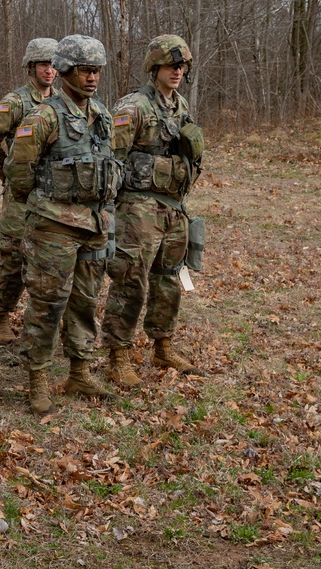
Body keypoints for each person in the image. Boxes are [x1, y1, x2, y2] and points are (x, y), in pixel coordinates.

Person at [3, 34, 121, 416]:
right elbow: (18, 174)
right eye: (85, 71)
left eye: (97, 71)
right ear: (67, 71)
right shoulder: (43, 116)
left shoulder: (102, 115)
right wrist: (44, 209)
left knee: (85, 301)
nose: (92, 78)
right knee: (47, 303)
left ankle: (79, 371)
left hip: (94, 223)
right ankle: (38, 376)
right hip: (53, 225)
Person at [102, 34, 205, 387]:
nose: (177, 71)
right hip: (138, 208)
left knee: (169, 280)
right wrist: (109, 211)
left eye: (181, 66)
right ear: (155, 67)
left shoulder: (181, 106)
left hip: (174, 207)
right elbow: (111, 161)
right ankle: (118, 354)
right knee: (130, 280)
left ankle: (162, 345)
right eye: (170, 65)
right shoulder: (133, 107)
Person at [0, 38, 59, 343]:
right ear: (30, 67)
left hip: (53, 195)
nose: (49, 71)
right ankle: (0, 316)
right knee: (13, 255)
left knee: (51, 257)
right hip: (21, 196)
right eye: (43, 65)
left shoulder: (62, 103)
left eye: (53, 65)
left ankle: (42, 318)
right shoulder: (15, 102)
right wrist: (10, 176)